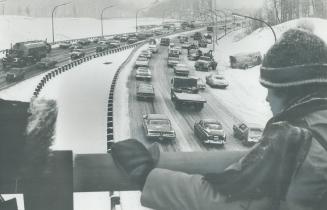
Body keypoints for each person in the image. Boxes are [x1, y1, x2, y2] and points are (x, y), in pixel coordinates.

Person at [112, 28, 327, 210]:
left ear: (290, 90)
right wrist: (162, 160)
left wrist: (145, 176)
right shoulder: (316, 128)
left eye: (271, 89)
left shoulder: (295, 138)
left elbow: (223, 199)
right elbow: (253, 163)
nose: (267, 98)